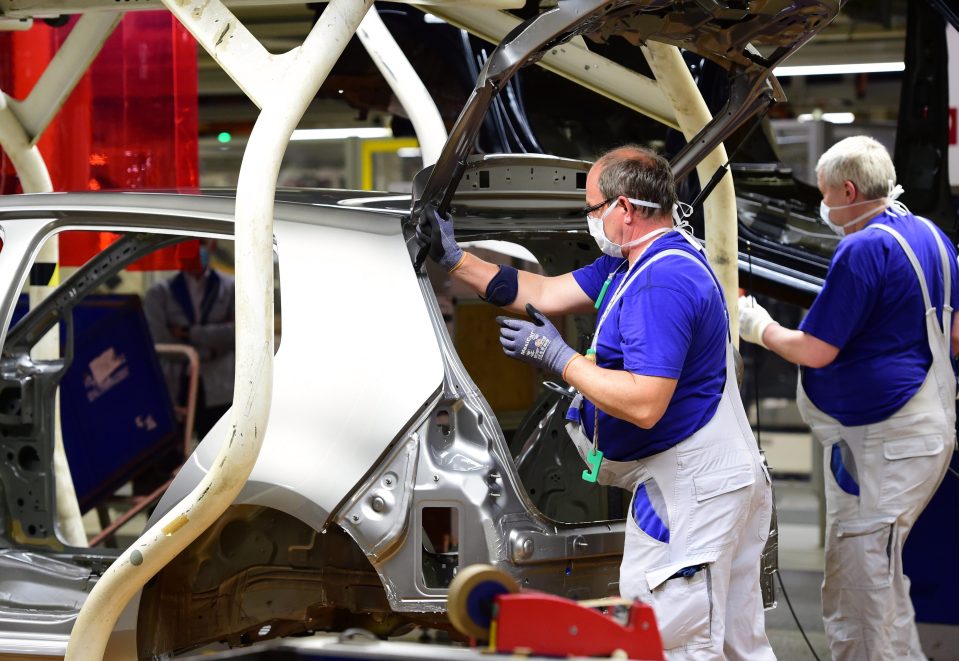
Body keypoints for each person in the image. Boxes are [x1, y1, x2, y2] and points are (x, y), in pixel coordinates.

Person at [418, 145, 775, 659]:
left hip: (691, 491)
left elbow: (645, 402)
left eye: (591, 210)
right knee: (739, 642)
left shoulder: (660, 281)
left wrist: (560, 357)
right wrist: (457, 259)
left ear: (624, 209)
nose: (589, 221)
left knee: (673, 641)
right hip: (714, 480)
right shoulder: (638, 263)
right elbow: (541, 290)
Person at [738, 135, 958, 660]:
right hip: (923, 429)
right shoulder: (931, 236)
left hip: (885, 442)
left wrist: (757, 326)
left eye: (825, 194)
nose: (825, 206)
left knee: (860, 590)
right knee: (885, 584)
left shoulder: (863, 248)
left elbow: (814, 350)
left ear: (850, 189)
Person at [144, 239, 235, 439]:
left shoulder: (232, 288)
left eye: (200, 243)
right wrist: (207, 351)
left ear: (211, 246)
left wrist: (188, 332)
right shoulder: (159, 294)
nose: (194, 250)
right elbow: (160, 341)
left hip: (220, 390)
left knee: (215, 450)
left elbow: (237, 333)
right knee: (175, 455)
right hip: (175, 387)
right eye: (187, 243)